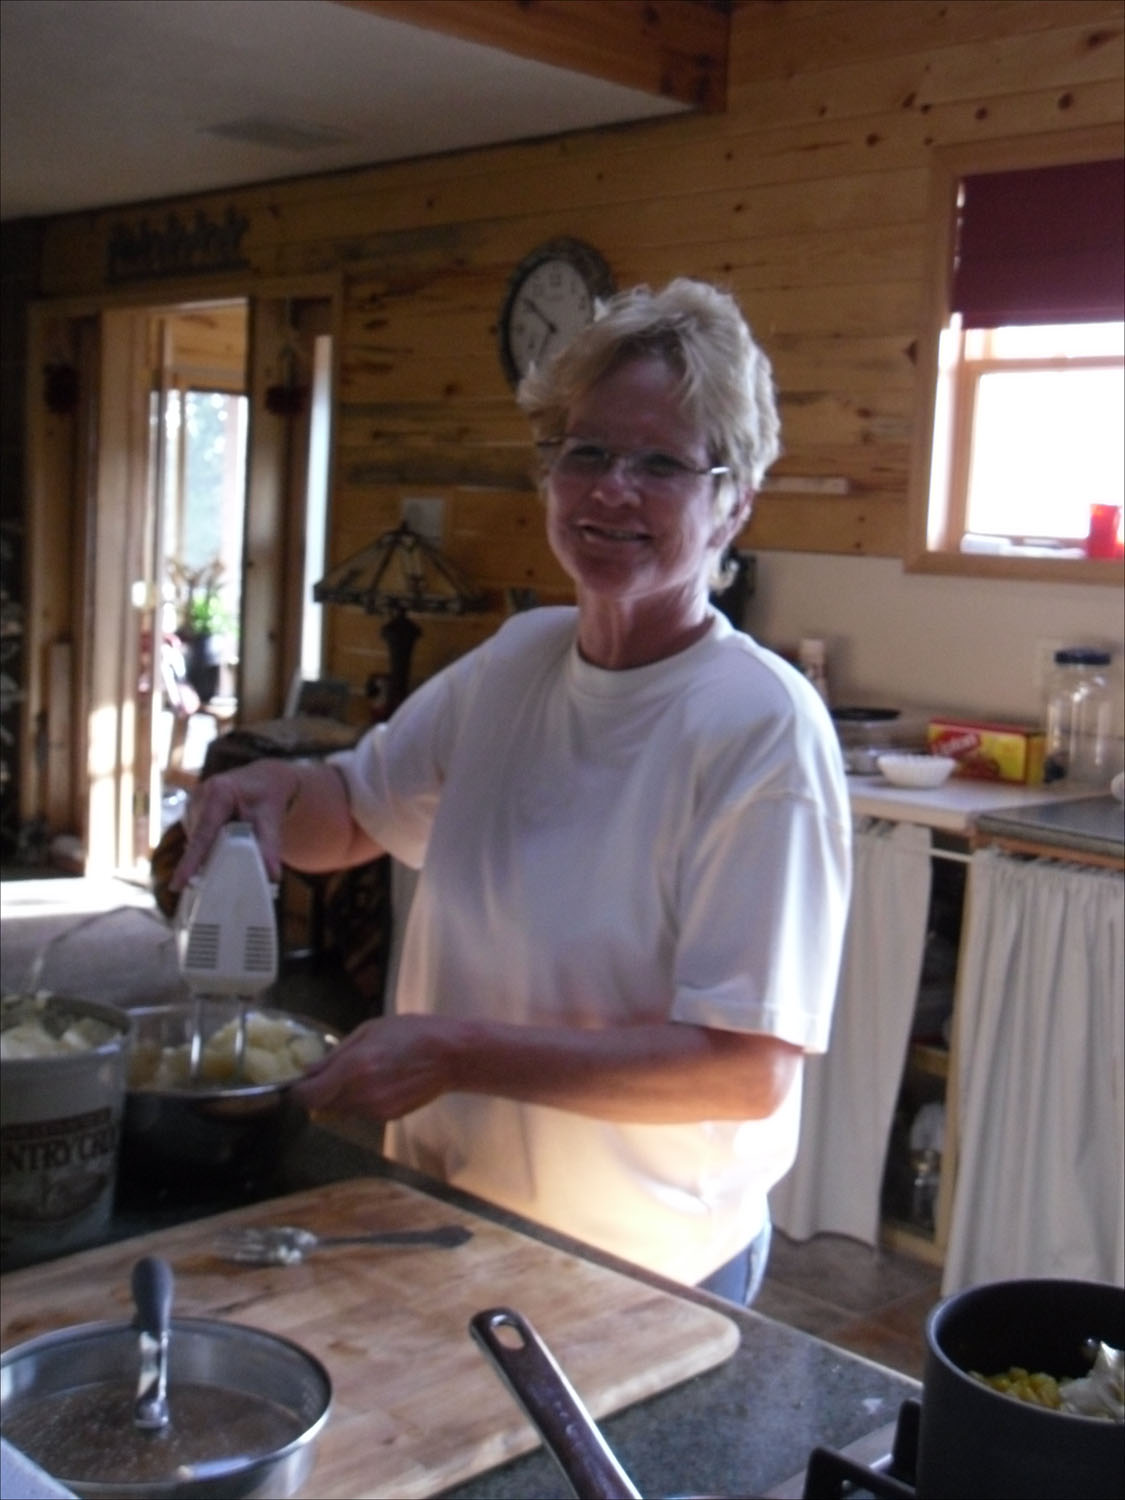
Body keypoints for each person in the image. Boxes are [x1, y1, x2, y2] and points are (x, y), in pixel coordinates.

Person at [171, 278, 851, 1303]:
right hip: (452, 1217)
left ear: (732, 502)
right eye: (584, 452)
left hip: (640, 1270)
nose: (611, 489)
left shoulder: (759, 729)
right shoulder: (519, 659)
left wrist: (452, 1053)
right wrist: (272, 790)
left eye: (661, 463)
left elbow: (744, 1070)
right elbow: (352, 812)